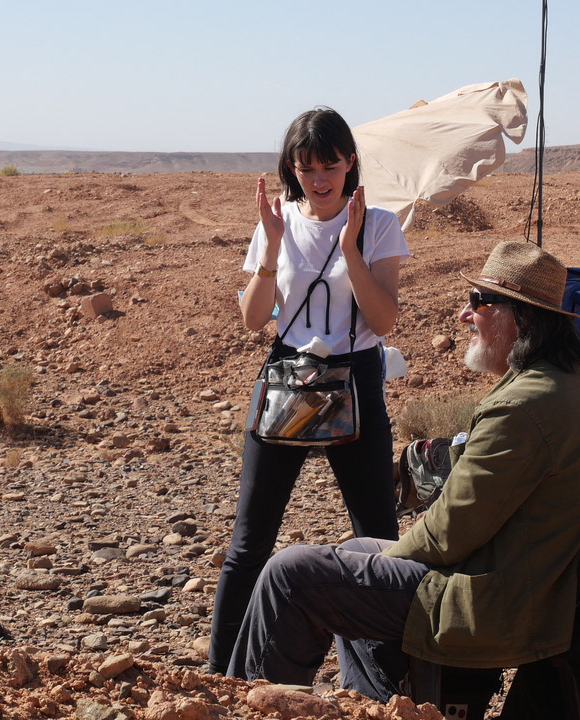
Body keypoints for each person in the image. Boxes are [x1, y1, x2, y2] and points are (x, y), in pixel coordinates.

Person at [226, 241, 580, 709]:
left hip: (494, 598)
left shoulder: (522, 405)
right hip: (541, 585)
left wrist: (388, 562)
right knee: (355, 553)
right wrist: (377, 562)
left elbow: (448, 535)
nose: (464, 315)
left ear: (520, 318)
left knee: (292, 573)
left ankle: (244, 709)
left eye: (479, 302)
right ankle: (378, 706)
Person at [207, 107, 410, 674]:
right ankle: (220, 677)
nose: (319, 179)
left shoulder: (378, 225)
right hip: (287, 379)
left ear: (350, 163)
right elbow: (253, 319)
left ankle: (386, 684)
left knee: (378, 537)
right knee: (249, 541)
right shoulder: (277, 223)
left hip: (356, 376)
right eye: (307, 167)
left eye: (330, 165)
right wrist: (271, 249)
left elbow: (384, 320)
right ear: (290, 168)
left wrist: (350, 250)